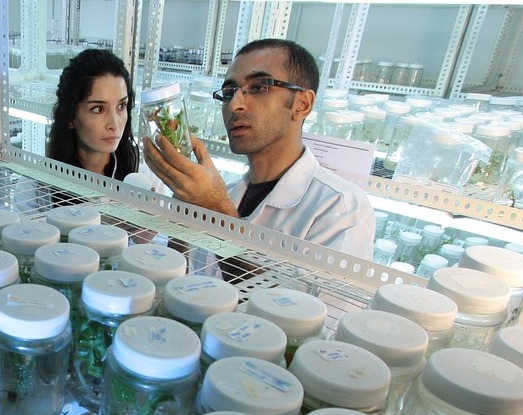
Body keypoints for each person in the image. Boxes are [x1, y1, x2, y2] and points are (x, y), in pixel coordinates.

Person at [143, 39, 375, 258]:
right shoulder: (229, 193)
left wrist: (215, 210)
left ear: (302, 104)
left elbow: (299, 300)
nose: (235, 105)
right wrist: (183, 212)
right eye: (229, 92)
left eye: (259, 87)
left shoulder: (341, 208)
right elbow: (190, 283)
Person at [47, 48, 139, 181]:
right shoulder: (36, 185)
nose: (114, 125)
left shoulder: (143, 180)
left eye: (121, 106)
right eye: (98, 109)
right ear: (70, 117)